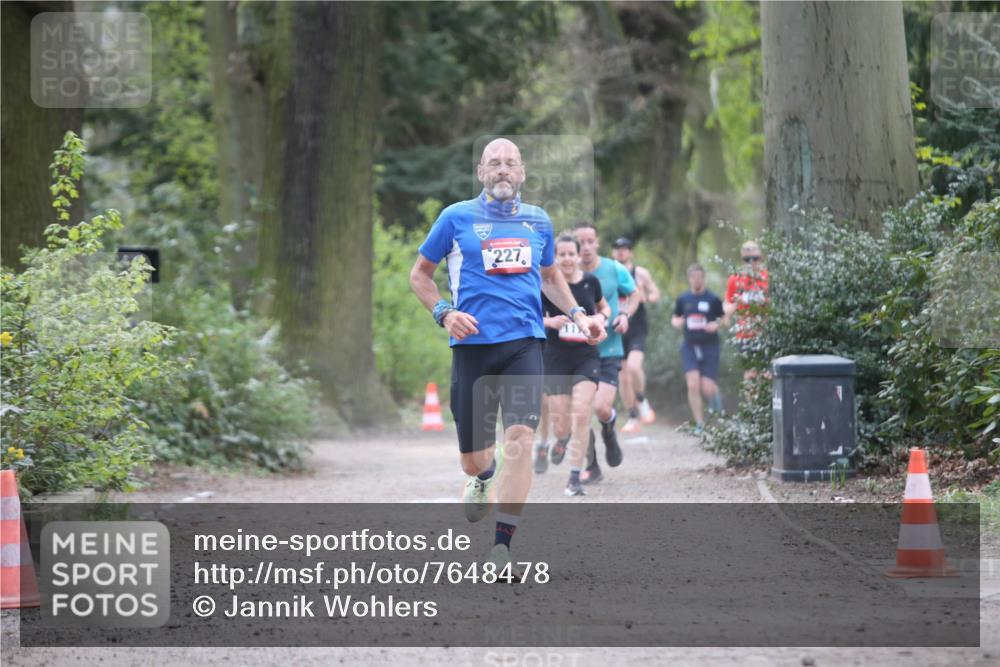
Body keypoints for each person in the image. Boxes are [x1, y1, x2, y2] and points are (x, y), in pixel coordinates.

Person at [409, 138, 605, 572]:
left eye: (510, 163)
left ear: (522, 174)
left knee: (521, 439)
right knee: (474, 458)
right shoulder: (455, 217)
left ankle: (502, 546)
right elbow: (420, 274)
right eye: (494, 163)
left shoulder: (538, 222)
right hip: (472, 347)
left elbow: (550, 276)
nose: (502, 170)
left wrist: (578, 313)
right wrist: (444, 312)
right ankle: (482, 477)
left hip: (524, 343)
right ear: (481, 172)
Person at [538, 234, 611, 496]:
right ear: (555, 257)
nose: (567, 259)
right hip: (555, 357)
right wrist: (549, 323)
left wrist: (600, 318)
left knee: (582, 413)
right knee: (561, 425)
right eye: (563, 254)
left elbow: (605, 308)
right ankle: (561, 438)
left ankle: (574, 477)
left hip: (586, 356)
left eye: (572, 254)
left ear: (579, 256)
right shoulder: (546, 285)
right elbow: (529, 315)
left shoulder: (591, 282)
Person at [573, 222, 639, 484]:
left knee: (600, 408)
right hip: (577, 351)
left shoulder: (614, 269)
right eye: (581, 242)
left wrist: (624, 314)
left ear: (597, 243)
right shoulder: (567, 273)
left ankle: (609, 430)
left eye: (591, 241)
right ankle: (592, 465)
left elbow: (634, 294)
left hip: (609, 348)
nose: (586, 247)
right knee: (580, 411)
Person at [611, 237, 661, 433]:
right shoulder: (609, 273)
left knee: (633, 367)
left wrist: (643, 297)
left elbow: (656, 294)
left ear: (630, 252)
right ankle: (632, 417)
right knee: (623, 378)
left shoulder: (640, 273)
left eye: (624, 249)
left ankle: (642, 400)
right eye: (617, 249)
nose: (620, 252)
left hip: (637, 327)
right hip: (616, 329)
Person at [671, 263, 724, 436]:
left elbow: (723, 319)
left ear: (703, 278)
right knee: (693, 384)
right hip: (689, 346)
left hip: (710, 345)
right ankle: (700, 423)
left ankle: (717, 408)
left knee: (707, 387)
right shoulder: (683, 299)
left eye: (699, 277)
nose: (697, 280)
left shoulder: (713, 299)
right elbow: (675, 317)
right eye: (693, 277)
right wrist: (677, 322)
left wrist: (715, 324)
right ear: (689, 279)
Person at [723, 240, 769, 383]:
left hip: (766, 332)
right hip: (745, 333)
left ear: (760, 258)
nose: (751, 262)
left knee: (767, 374)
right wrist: (730, 312)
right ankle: (751, 405)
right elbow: (727, 304)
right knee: (750, 374)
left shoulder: (768, 277)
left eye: (754, 259)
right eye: (747, 259)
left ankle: (766, 404)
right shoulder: (735, 279)